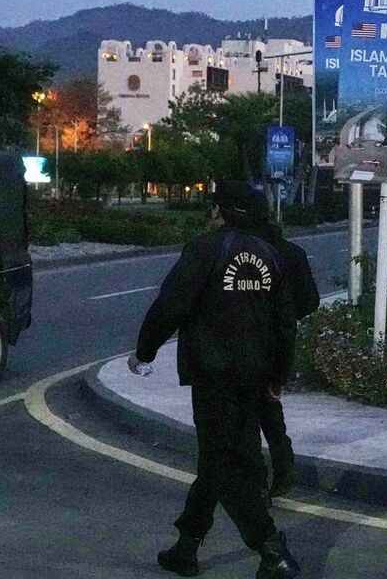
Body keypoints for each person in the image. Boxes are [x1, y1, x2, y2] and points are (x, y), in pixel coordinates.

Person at [130, 181, 301, 579]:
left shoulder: (206, 249)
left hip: (214, 375)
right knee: (216, 459)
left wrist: (145, 351)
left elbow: (171, 304)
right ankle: (186, 547)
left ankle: (271, 550)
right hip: (254, 376)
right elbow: (285, 322)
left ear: (219, 211)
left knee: (224, 465)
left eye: (212, 207)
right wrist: (278, 374)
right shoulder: (269, 255)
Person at [252, 214, 319, 499]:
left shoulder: (248, 255)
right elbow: (311, 300)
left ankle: (257, 481)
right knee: (269, 403)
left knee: (245, 412)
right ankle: (283, 464)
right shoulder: (293, 252)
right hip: (281, 338)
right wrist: (288, 316)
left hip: (250, 336)